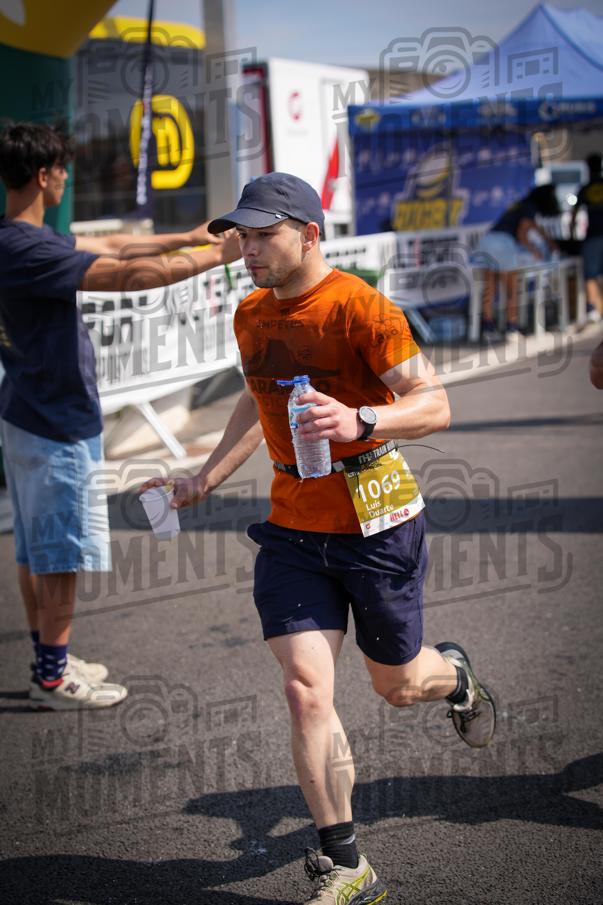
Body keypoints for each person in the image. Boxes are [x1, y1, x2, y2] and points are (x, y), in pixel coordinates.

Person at [140, 172, 497, 905]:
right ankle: (348, 864)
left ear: (309, 233)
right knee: (306, 691)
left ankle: (454, 675)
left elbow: (434, 404)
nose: (247, 248)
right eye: (240, 234)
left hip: (376, 525)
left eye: (263, 233)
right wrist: (202, 478)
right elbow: (255, 397)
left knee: (396, 686)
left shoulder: (361, 307)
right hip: (293, 531)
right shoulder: (248, 314)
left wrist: (362, 420)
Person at [0, 120, 241, 711]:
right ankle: (54, 679)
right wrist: (217, 256)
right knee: (60, 558)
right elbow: (128, 276)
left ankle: (46, 659)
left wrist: (184, 235)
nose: (64, 180)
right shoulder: (29, 249)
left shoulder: (17, 237)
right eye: (62, 171)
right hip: (56, 422)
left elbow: (113, 248)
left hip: (27, 414)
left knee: (36, 551)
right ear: (43, 175)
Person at [473, 184, 560, 338]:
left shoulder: (521, 205)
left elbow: (533, 226)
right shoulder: (530, 207)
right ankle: (511, 330)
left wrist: (548, 240)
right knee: (512, 290)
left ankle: (489, 329)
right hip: (503, 244)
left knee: (489, 290)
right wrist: (534, 249)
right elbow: (522, 233)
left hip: (487, 241)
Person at [571, 153, 603, 324]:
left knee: (590, 274)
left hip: (593, 237)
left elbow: (573, 215)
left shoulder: (585, 188)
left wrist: (571, 236)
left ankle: (592, 309)